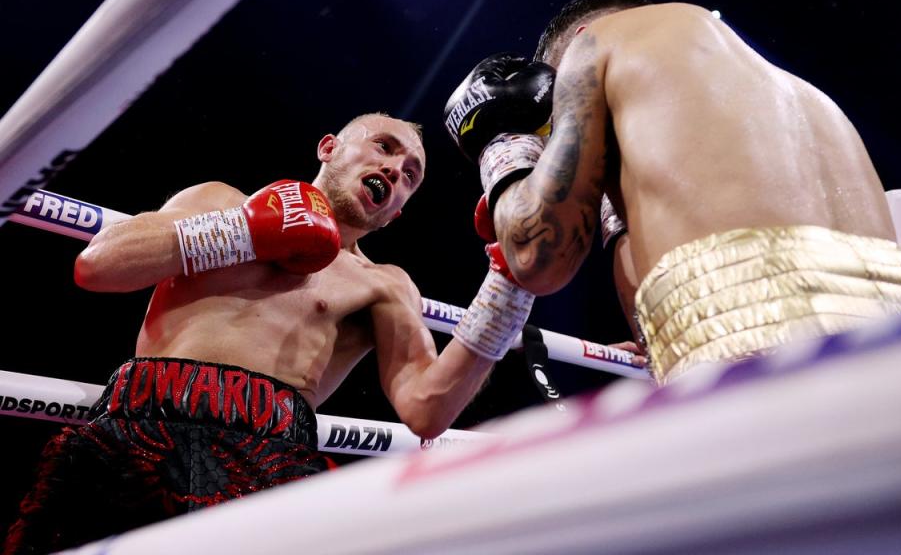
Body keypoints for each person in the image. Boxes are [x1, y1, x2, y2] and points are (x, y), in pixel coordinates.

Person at [4, 113, 532, 554]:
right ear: (329, 148)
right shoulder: (218, 201)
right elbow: (99, 265)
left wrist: (508, 290)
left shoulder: (384, 285)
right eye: (384, 147)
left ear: (396, 214)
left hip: (269, 451)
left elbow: (428, 408)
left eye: (411, 175)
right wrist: (246, 232)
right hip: (139, 426)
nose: (394, 169)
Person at [444, 0, 901, 387]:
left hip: (760, 341)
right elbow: (655, 318)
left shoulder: (592, 46)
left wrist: (502, 142)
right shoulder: (801, 100)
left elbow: (537, 254)